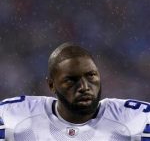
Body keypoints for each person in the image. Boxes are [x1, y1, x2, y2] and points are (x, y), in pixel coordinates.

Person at [0, 42, 150, 141]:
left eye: (91, 75)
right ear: (52, 85)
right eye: (72, 80)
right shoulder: (12, 115)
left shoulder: (136, 118)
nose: (84, 86)